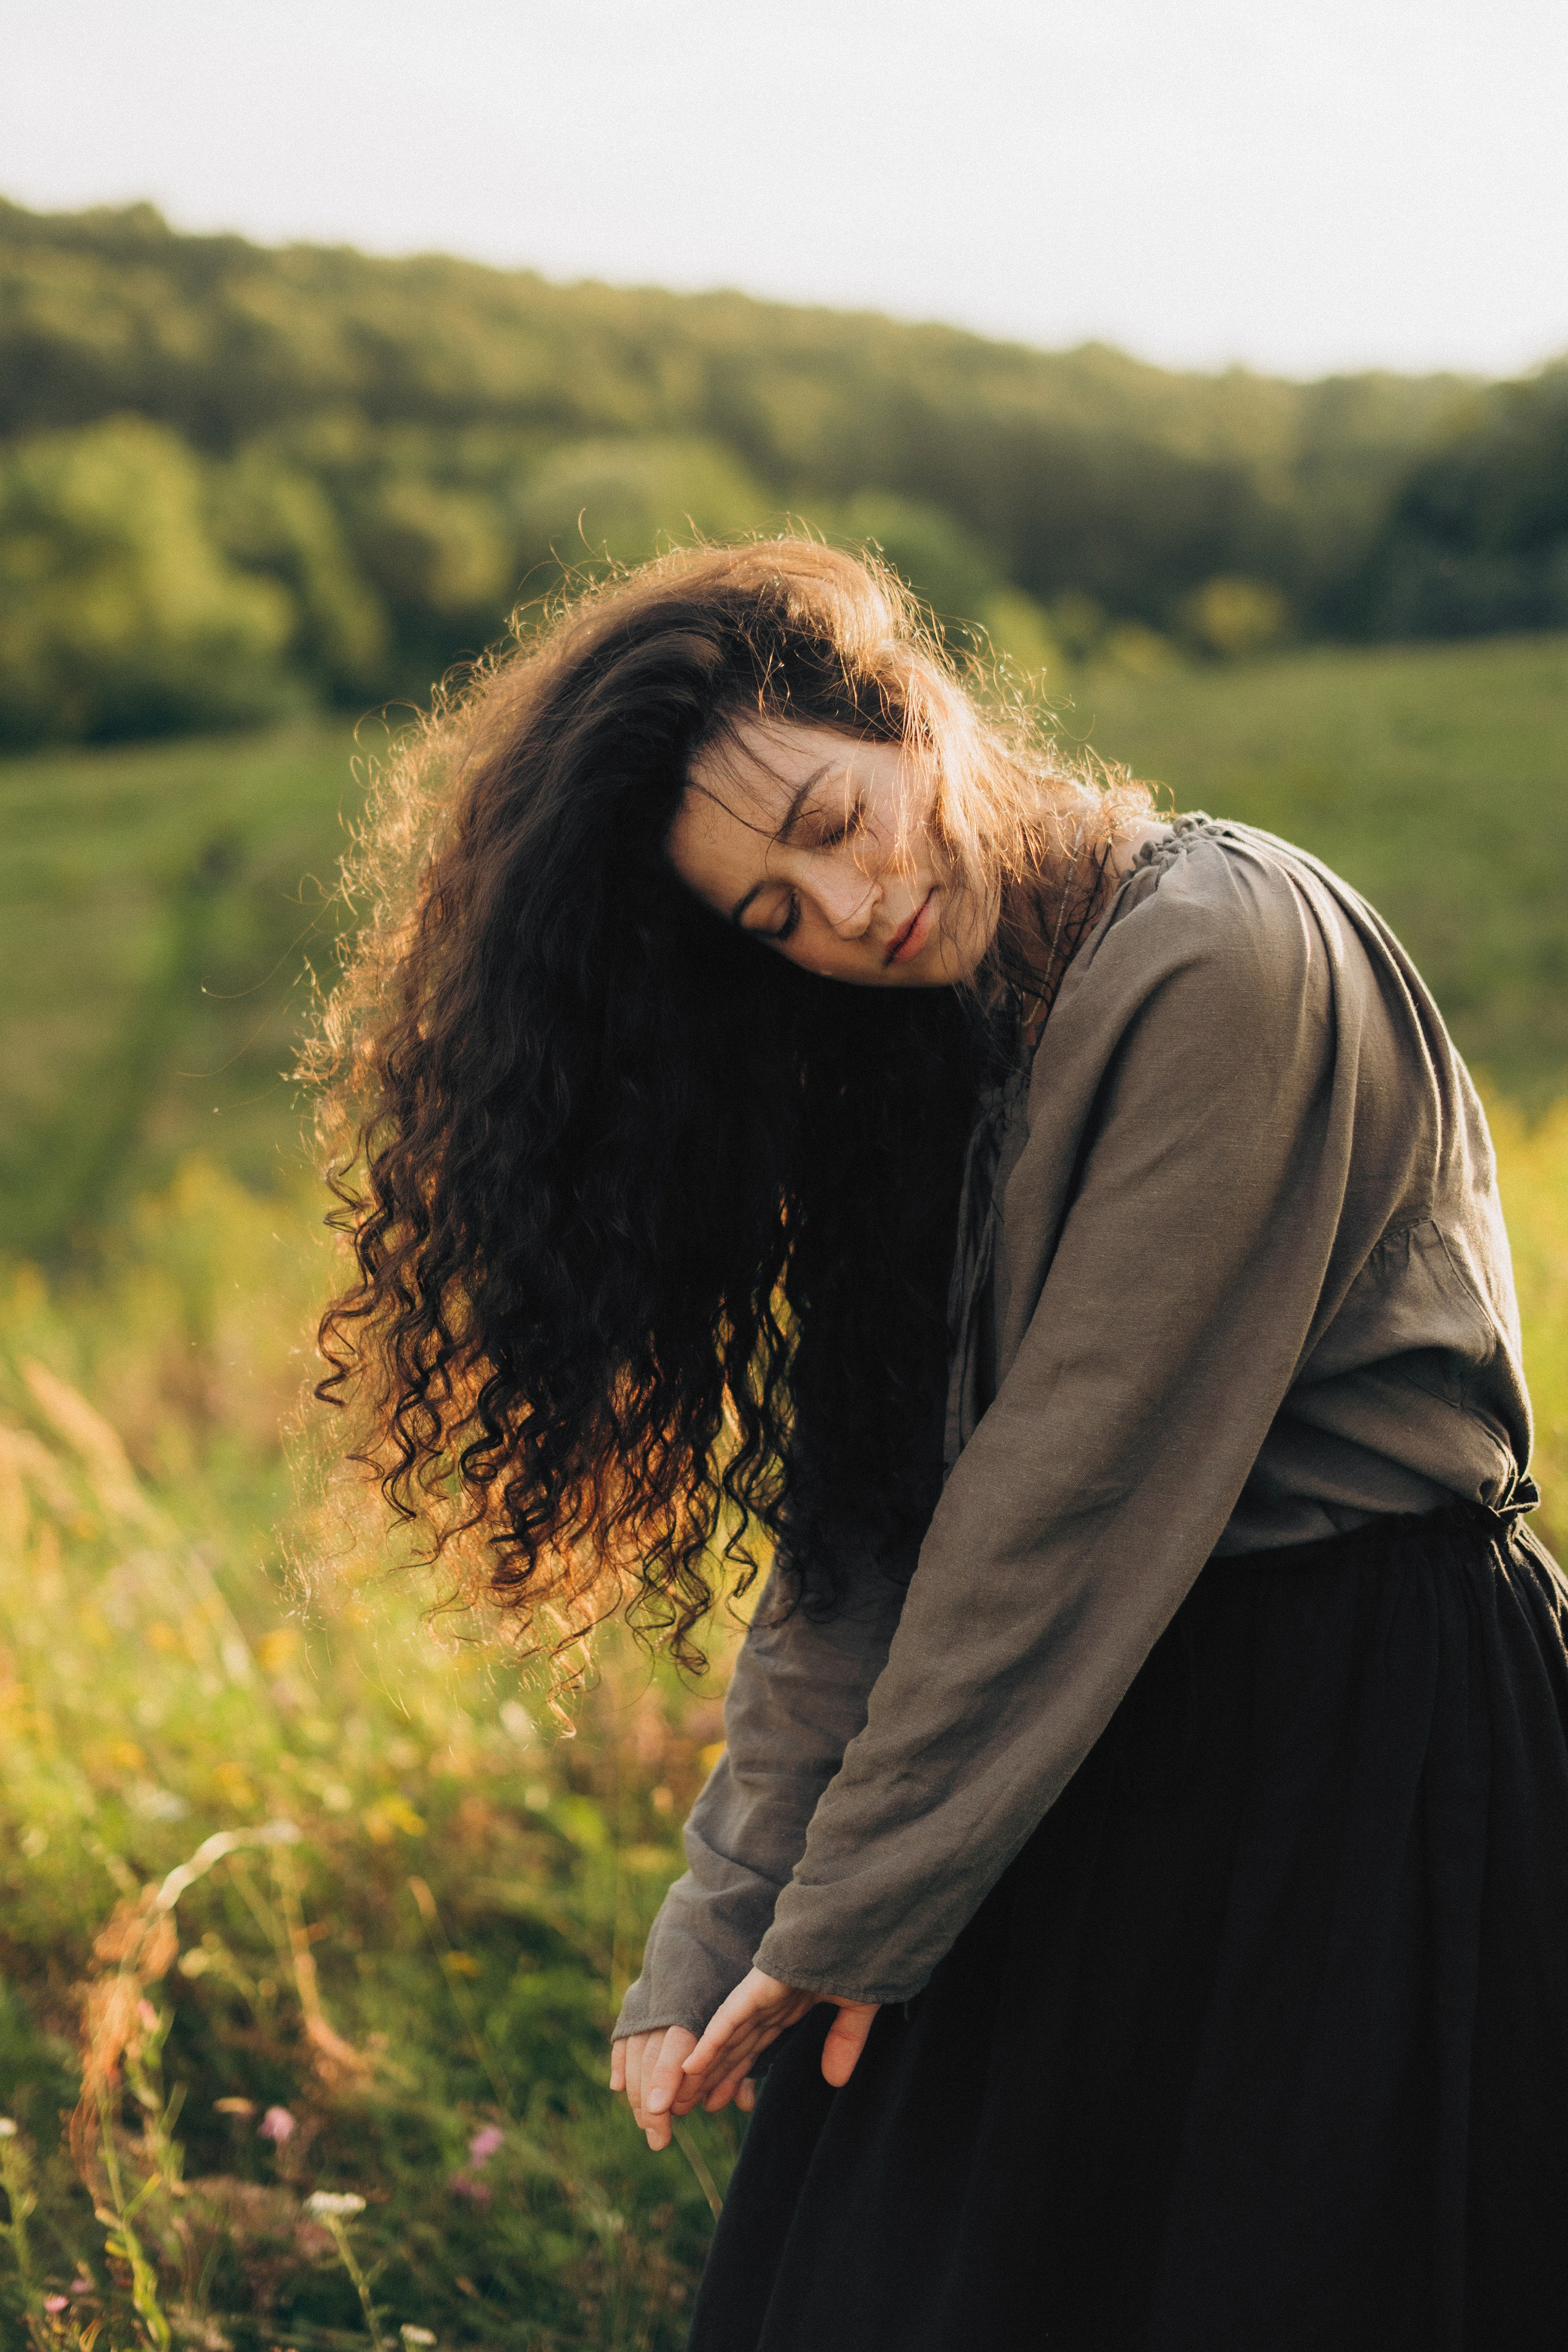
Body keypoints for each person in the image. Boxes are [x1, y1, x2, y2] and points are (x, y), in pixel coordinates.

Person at [312, 538, 1568, 2350]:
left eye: (833, 817)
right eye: (772, 914)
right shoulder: (920, 1052)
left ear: (910, 713)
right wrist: (723, 1915)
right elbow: (862, 1535)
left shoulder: (1223, 956)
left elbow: (1065, 1491)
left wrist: (845, 1916)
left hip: (1356, 1742)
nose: (846, 904)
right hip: (1094, 1726)